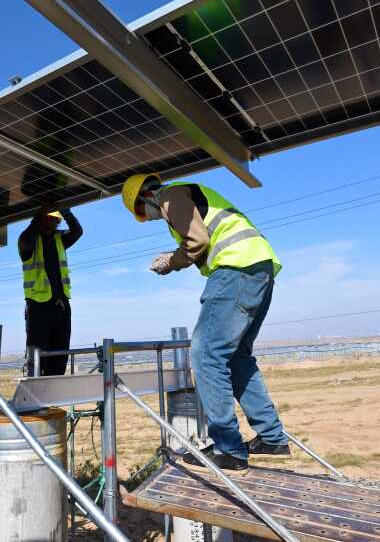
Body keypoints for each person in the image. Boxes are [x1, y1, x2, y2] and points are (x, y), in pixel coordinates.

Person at [121, 174, 288, 472]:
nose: (149, 219)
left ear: (145, 197)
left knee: (206, 355)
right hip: (258, 270)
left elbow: (197, 241)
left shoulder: (169, 196)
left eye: (143, 215)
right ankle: (271, 436)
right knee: (237, 357)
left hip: (234, 271)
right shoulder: (188, 194)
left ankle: (228, 448)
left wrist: (170, 261)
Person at [18, 207, 82, 376]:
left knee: (60, 356)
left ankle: (52, 394)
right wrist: (38, 216)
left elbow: (77, 231)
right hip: (38, 309)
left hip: (61, 308)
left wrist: (65, 210)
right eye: (45, 219)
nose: (49, 223)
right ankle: (35, 396)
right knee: (37, 360)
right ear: (39, 221)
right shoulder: (28, 241)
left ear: (57, 222)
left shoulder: (59, 240)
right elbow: (25, 239)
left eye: (53, 219)